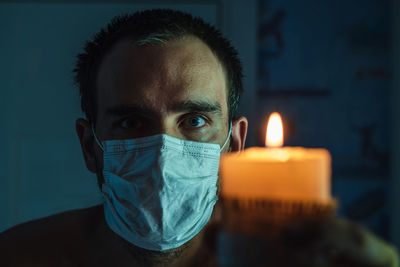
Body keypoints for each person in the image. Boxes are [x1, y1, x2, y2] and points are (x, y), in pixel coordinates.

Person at [0, 9, 398, 267]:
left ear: (236, 143)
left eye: (193, 120)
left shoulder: (293, 257)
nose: (162, 155)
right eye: (130, 122)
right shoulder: (20, 257)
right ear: (90, 146)